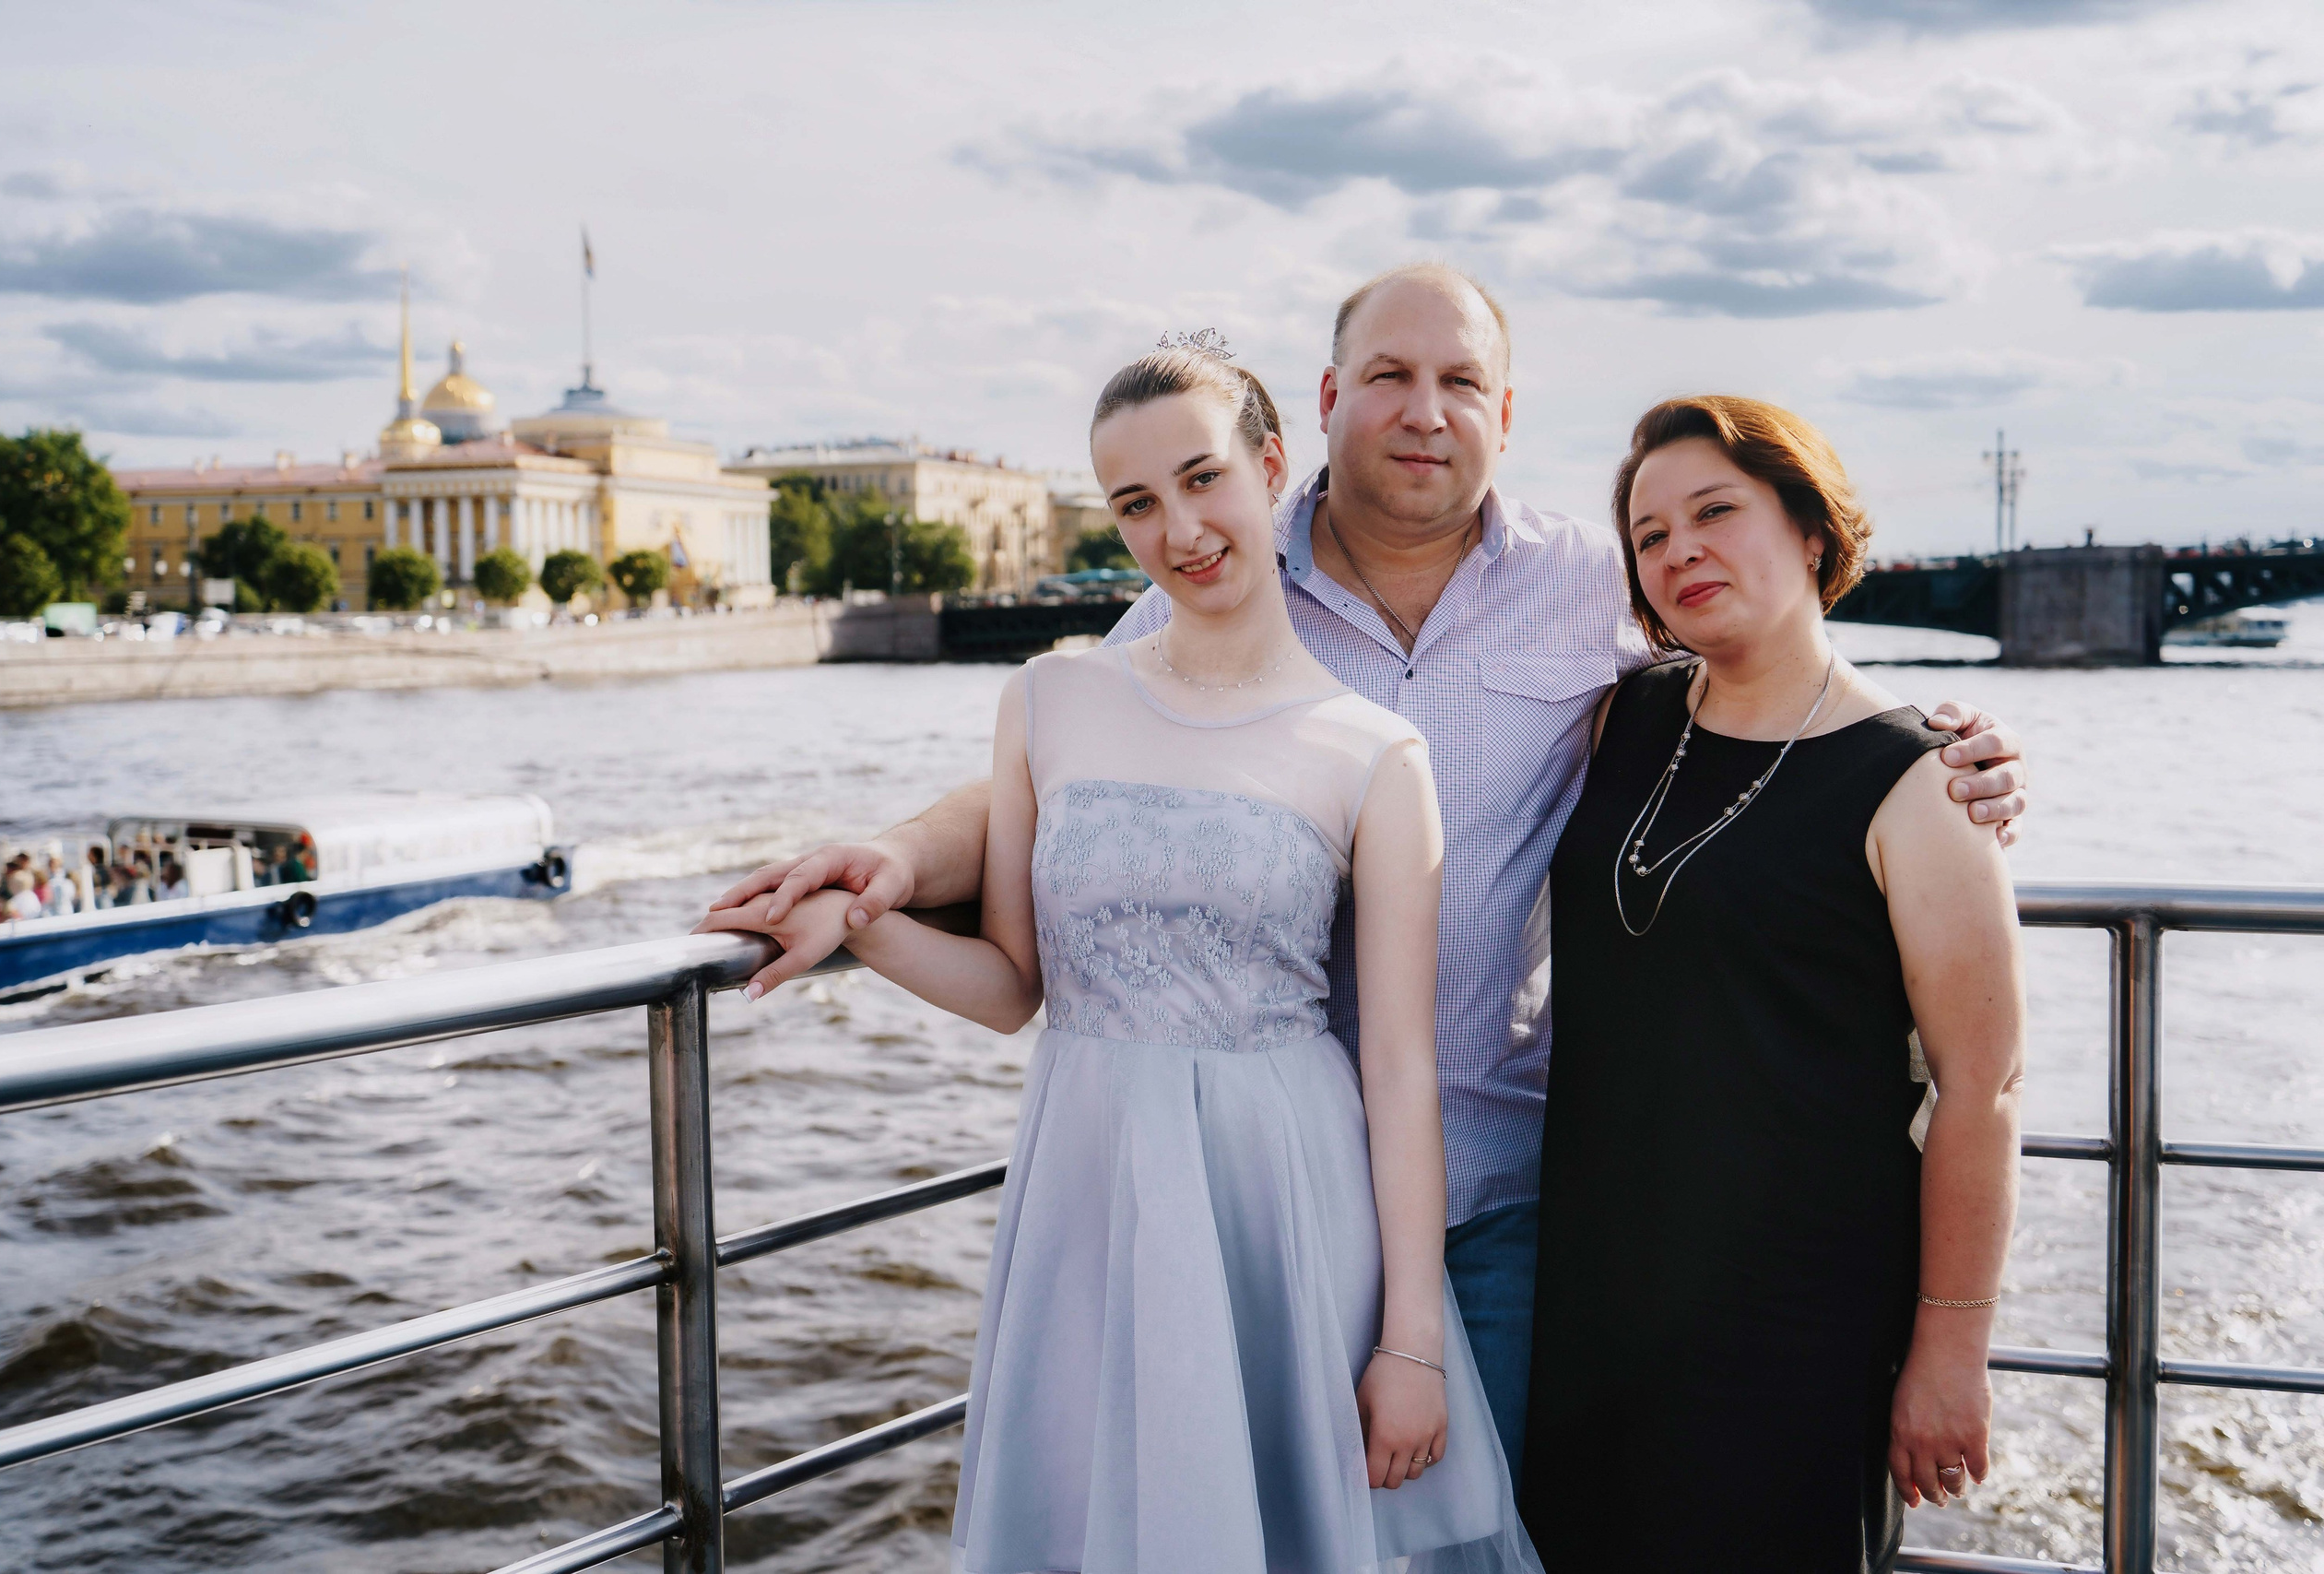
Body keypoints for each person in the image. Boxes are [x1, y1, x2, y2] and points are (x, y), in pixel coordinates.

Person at [705, 265, 2032, 1473]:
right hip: (1266, 1191)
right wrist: (894, 857)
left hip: (1502, 1194)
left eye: (1460, 381)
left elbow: (1761, 672)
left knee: (1490, 1530)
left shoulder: (1595, 581)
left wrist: (1927, 748)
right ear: (1330, 401)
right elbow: (1067, 776)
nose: (1424, 411)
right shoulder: (1212, 567)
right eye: (1390, 375)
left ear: (1503, 412)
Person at [702, 341, 1543, 1572]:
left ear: (1271, 468)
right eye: (1136, 503)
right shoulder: (1050, 700)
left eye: (1203, 479)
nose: (1179, 531)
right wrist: (861, 919)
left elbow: (1403, 1069)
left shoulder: (1372, 752)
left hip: (1282, 1198)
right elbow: (1011, 989)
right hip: (1086, 1189)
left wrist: (1410, 1338)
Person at [1520, 397, 2025, 1572]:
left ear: (1808, 529)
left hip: (1798, 1319)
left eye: (1715, 512)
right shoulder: (1620, 716)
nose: (1679, 550)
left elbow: (1983, 1089)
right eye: (1649, 535)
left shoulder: (1918, 779)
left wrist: (1950, 1352)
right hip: (1598, 1293)